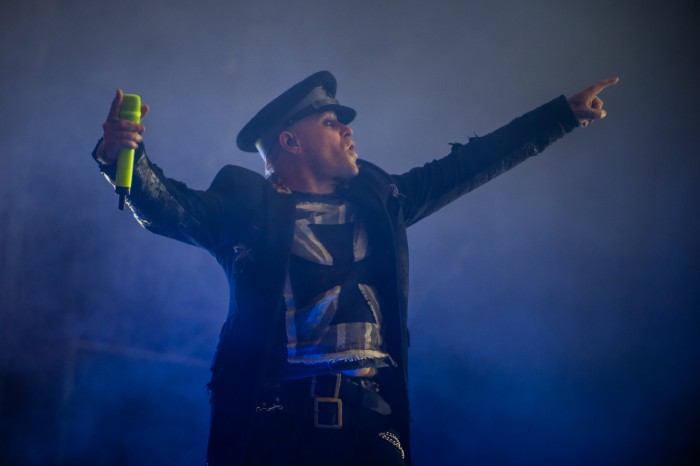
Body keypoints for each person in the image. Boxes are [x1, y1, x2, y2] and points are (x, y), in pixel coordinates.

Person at [93, 71, 618, 465]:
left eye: (342, 120)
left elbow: (470, 165)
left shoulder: (383, 199)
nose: (347, 128)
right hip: (274, 431)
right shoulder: (244, 208)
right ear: (290, 141)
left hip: (371, 430)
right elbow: (170, 208)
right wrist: (124, 157)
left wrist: (560, 116)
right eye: (329, 121)